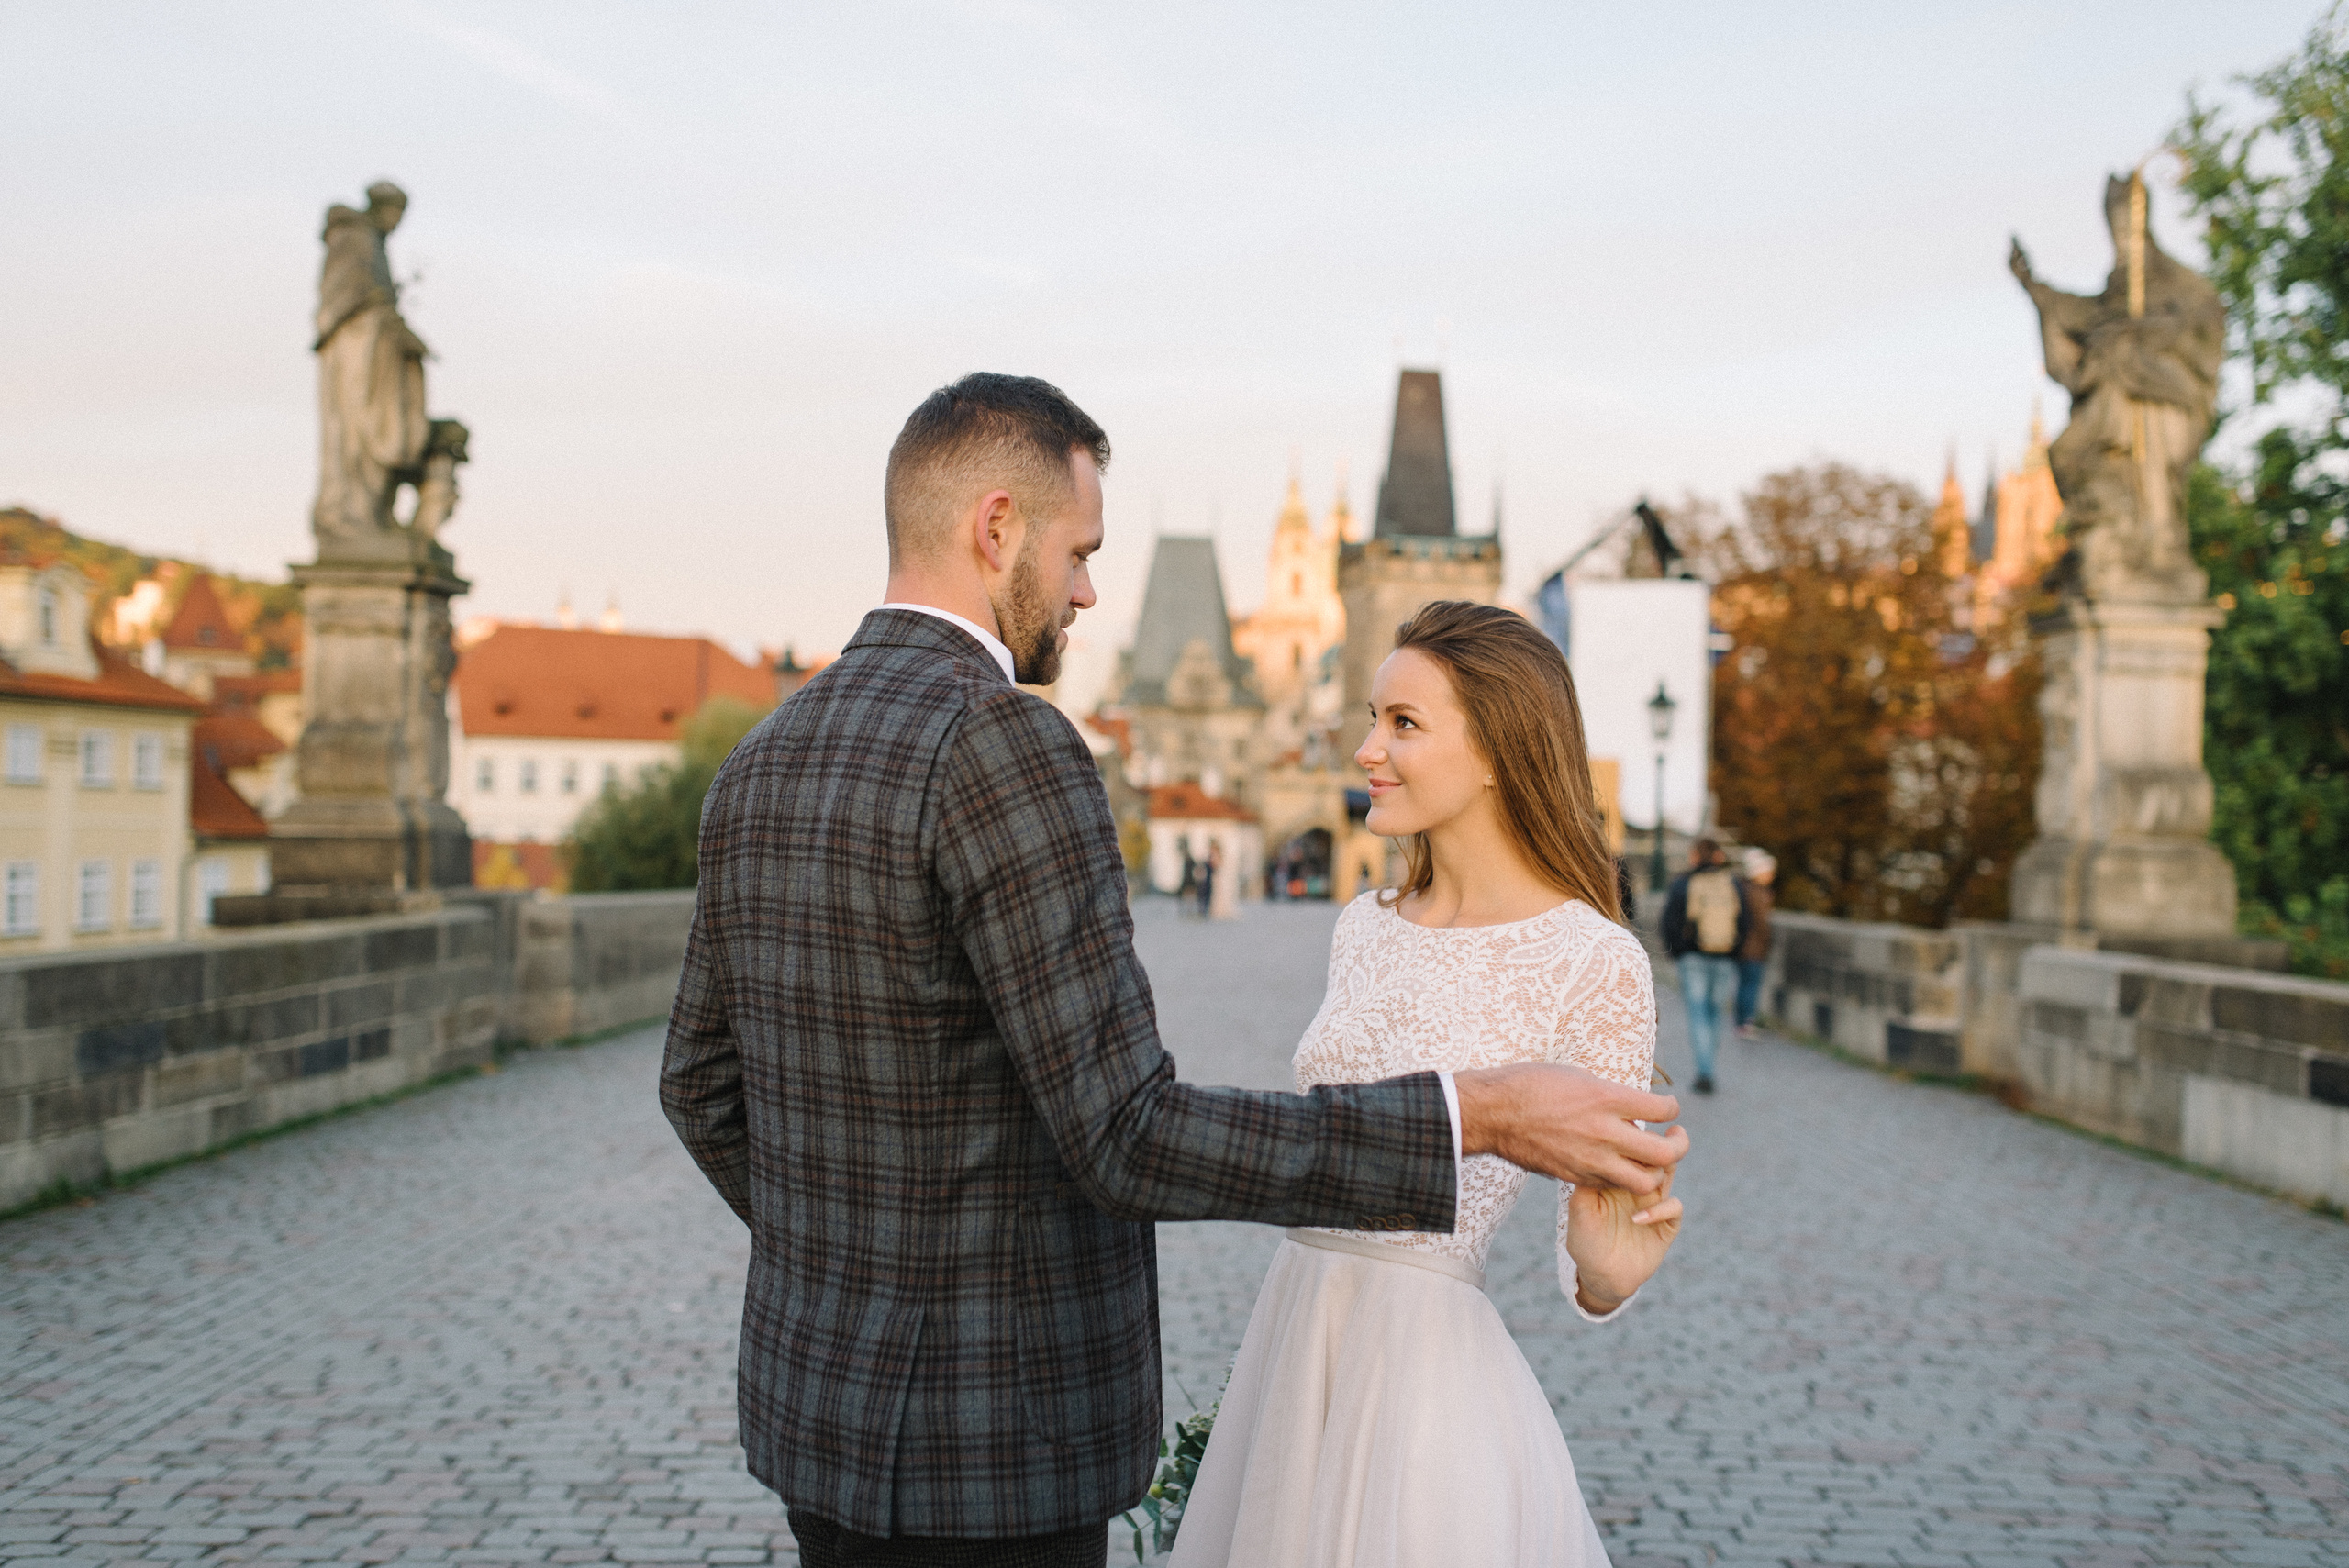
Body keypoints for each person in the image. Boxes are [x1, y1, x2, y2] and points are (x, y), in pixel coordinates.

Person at [660, 376, 1688, 1568]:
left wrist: (848, 1262)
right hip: (995, 1439)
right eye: (1080, 552)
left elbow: (698, 1085)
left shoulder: (763, 753)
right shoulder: (1007, 739)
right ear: (996, 527)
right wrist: (1483, 1111)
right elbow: (1128, 1134)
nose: (1090, 589)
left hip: (812, 1415)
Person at [1172, 601, 1681, 1567]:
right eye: (1373, 717)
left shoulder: (1593, 958)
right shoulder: (1363, 923)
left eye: (1403, 723)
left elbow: (1596, 1249)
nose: (1367, 747)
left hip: (1422, 1380)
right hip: (1296, 1331)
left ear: (1497, 748)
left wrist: (1606, 1277)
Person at [1661, 839, 1751, 1095]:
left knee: (1698, 1013)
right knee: (1715, 1013)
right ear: (1718, 856)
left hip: (1692, 957)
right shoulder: (1731, 883)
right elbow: (1744, 921)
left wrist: (1678, 950)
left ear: (1696, 856)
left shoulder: (1683, 883)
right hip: (1725, 957)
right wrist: (1734, 950)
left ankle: (1705, 1071)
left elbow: (1670, 920)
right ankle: (1708, 1065)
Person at [1734, 850, 1776, 1038]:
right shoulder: (1758, 892)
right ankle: (1746, 1023)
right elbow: (1762, 923)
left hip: (1741, 945)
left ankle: (1741, 1021)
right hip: (1753, 947)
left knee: (1744, 984)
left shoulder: (1742, 888)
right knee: (1750, 985)